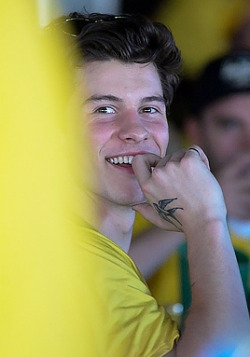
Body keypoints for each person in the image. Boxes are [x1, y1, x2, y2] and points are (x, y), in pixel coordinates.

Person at [49, 12, 250, 356]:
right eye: (104, 110)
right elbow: (227, 350)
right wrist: (206, 219)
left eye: (150, 109)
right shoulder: (73, 261)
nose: (137, 129)